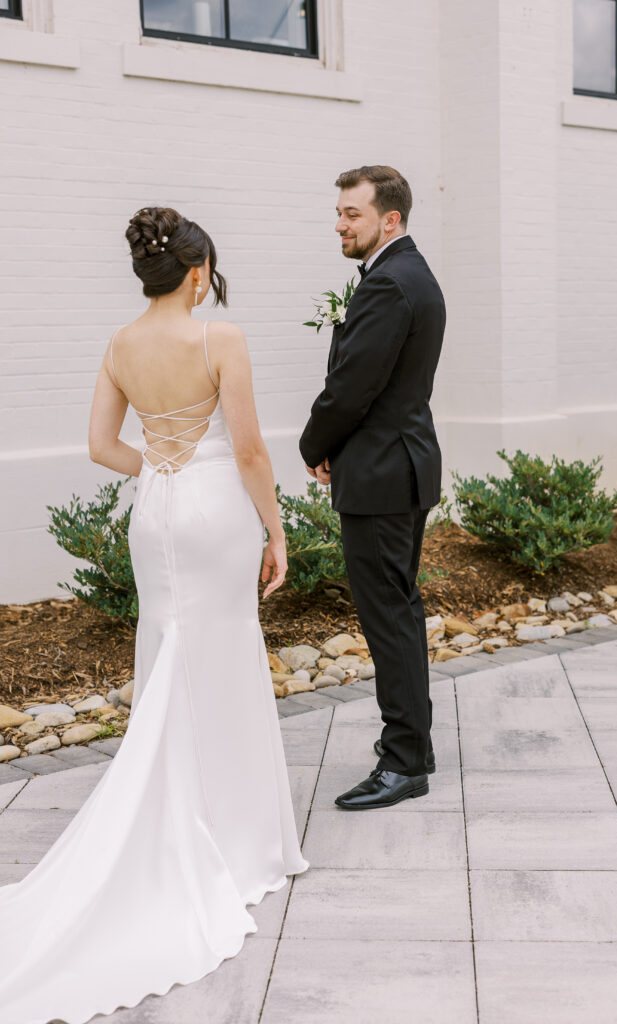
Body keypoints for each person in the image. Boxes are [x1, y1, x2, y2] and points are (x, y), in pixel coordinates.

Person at [0, 207, 308, 1024]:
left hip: (158, 508)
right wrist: (275, 527)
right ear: (199, 272)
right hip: (214, 509)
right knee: (222, 653)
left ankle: (181, 812)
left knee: (169, 646)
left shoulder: (120, 343)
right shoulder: (220, 339)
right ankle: (239, 840)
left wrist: (163, 468)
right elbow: (248, 451)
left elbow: (103, 445)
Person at [299, 165, 447, 810]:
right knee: (399, 610)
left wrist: (315, 444)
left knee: (388, 616)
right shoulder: (407, 275)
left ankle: (404, 761)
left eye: (351, 214)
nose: (339, 223)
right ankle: (415, 745)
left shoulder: (390, 283)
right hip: (398, 465)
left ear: (389, 219)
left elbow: (352, 386)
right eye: (339, 212)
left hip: (383, 474)